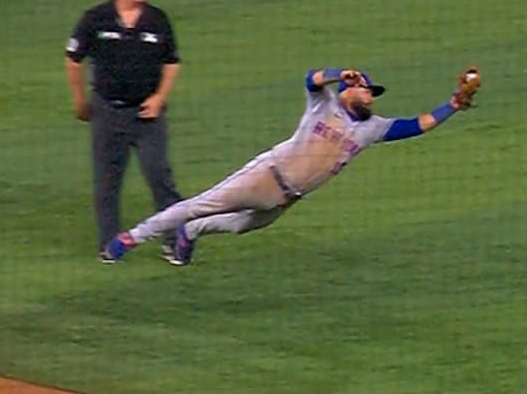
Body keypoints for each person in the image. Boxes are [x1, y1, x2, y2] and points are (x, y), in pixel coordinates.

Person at [101, 66, 481, 266]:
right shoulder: (324, 104)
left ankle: (191, 233)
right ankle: (130, 239)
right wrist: (337, 73)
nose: (370, 95)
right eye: (366, 88)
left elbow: (419, 125)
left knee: (241, 226)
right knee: (202, 202)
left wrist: (453, 105)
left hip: (287, 198)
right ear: (349, 89)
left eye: (372, 93)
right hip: (267, 175)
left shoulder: (373, 130)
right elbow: (311, 80)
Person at [65, 0, 184, 264]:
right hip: (108, 112)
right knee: (107, 181)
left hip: (148, 116)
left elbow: (171, 62)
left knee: (159, 175)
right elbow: (73, 59)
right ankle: (109, 245)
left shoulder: (157, 20)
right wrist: (79, 101)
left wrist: (158, 98)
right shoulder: (96, 18)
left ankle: (175, 241)